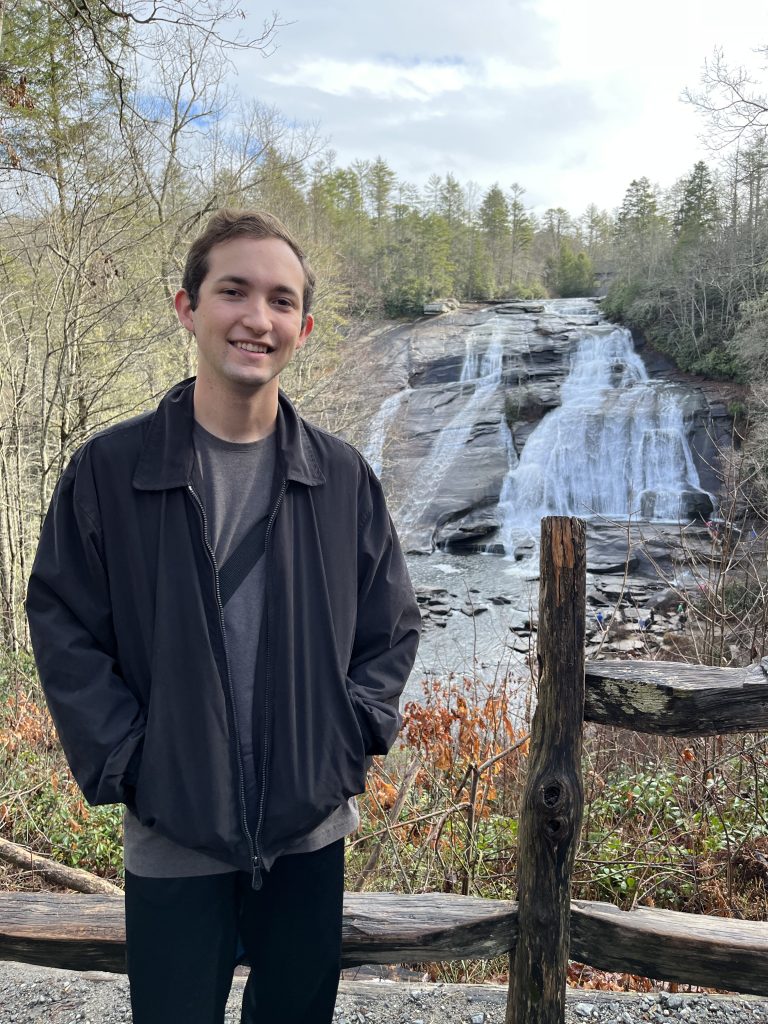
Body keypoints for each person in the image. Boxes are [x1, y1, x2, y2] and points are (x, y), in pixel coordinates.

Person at [26, 210, 421, 1024]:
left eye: (280, 301)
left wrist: (343, 741)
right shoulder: (111, 470)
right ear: (187, 307)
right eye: (233, 291)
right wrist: (133, 761)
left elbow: (392, 627)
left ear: (303, 328)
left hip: (309, 832)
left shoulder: (343, 478)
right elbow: (62, 621)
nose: (257, 317)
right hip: (173, 828)